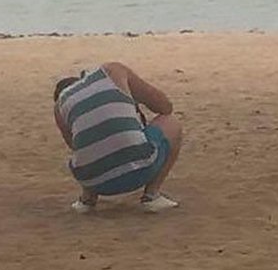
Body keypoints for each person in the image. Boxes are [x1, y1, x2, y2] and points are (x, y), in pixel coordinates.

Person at [53, 61, 183, 213]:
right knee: (170, 121)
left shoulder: (60, 106)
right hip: (140, 170)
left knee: (87, 145)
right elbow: (165, 106)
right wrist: (130, 98)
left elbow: (75, 146)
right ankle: (151, 196)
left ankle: (87, 200)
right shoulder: (113, 70)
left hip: (93, 181)